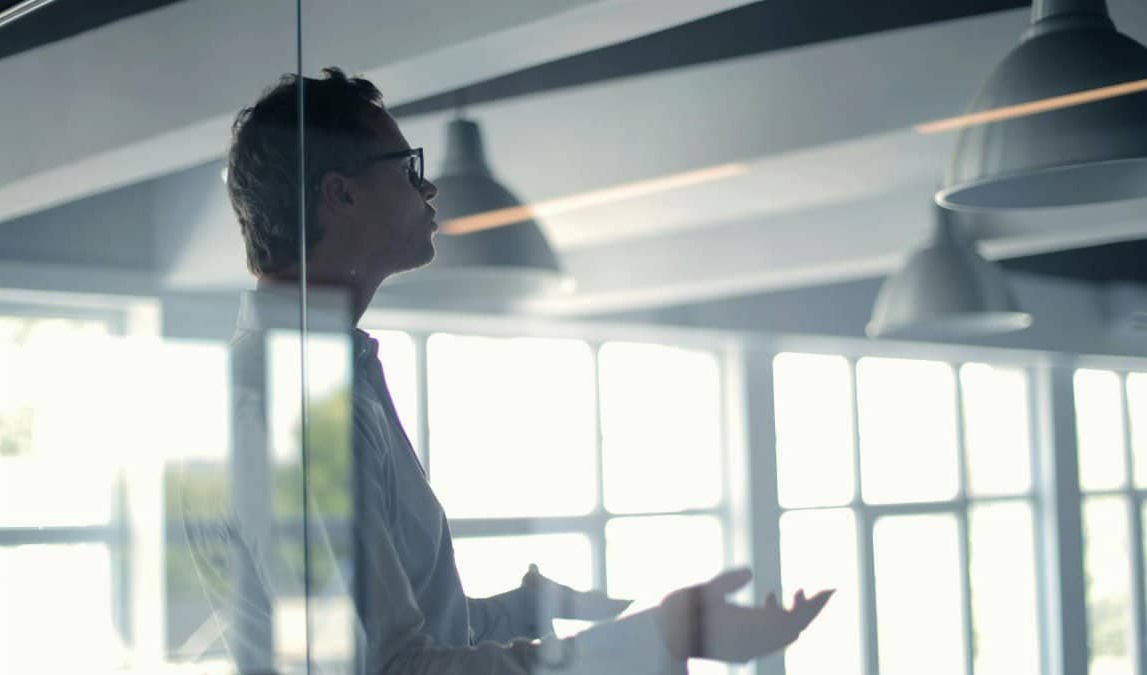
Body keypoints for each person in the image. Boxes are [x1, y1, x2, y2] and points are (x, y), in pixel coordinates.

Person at [220, 67, 832, 675]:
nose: (429, 188)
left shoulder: (317, 379)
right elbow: (394, 671)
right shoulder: (296, 406)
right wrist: (664, 636)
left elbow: (405, 635)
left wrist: (526, 609)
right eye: (408, 168)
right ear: (342, 193)